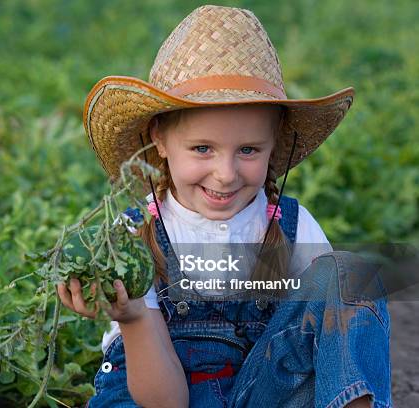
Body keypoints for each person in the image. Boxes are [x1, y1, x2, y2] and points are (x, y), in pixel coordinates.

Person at [57, 5, 390, 407]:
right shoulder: (133, 238)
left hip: (259, 391)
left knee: (351, 275)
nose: (226, 174)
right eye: (203, 148)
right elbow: (166, 401)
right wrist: (134, 317)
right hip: (156, 395)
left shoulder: (290, 229)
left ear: (274, 143)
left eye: (248, 149)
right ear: (159, 139)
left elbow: (331, 341)